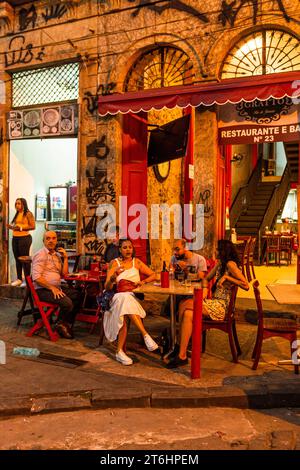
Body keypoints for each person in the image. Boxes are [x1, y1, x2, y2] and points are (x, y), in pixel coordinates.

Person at [167, 239, 249, 369]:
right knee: (187, 312)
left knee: (185, 303)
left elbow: (246, 285)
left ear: (223, 251)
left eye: (217, 249)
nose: (215, 251)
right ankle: (181, 353)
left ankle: (178, 347)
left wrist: (228, 278)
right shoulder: (220, 264)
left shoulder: (230, 265)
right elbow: (206, 279)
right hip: (213, 302)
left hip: (221, 307)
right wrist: (204, 290)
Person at [103, 238, 159, 366]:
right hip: (117, 296)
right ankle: (145, 335)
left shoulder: (137, 262)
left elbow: (153, 275)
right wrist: (113, 277)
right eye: (124, 247)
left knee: (125, 306)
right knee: (123, 299)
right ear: (120, 250)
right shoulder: (114, 263)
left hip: (133, 297)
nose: (128, 250)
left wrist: (143, 282)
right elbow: (107, 287)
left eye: (130, 247)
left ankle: (119, 352)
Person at [31, 231, 81, 339]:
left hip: (56, 288)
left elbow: (64, 274)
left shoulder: (56, 255)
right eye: (48, 238)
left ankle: (62, 322)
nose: (51, 241)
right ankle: (60, 324)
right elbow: (37, 278)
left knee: (77, 295)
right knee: (67, 303)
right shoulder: (40, 255)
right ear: (43, 241)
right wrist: (52, 288)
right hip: (42, 290)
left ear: (56, 240)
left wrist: (65, 258)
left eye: (53, 238)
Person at [7, 198, 35, 286]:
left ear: (23, 204)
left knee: (24, 260)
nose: (17, 205)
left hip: (25, 238)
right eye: (16, 204)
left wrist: (21, 228)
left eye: (19, 203)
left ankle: (27, 280)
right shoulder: (17, 214)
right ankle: (19, 279)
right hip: (15, 238)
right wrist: (12, 227)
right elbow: (17, 225)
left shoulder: (28, 213)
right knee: (17, 259)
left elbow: (33, 226)